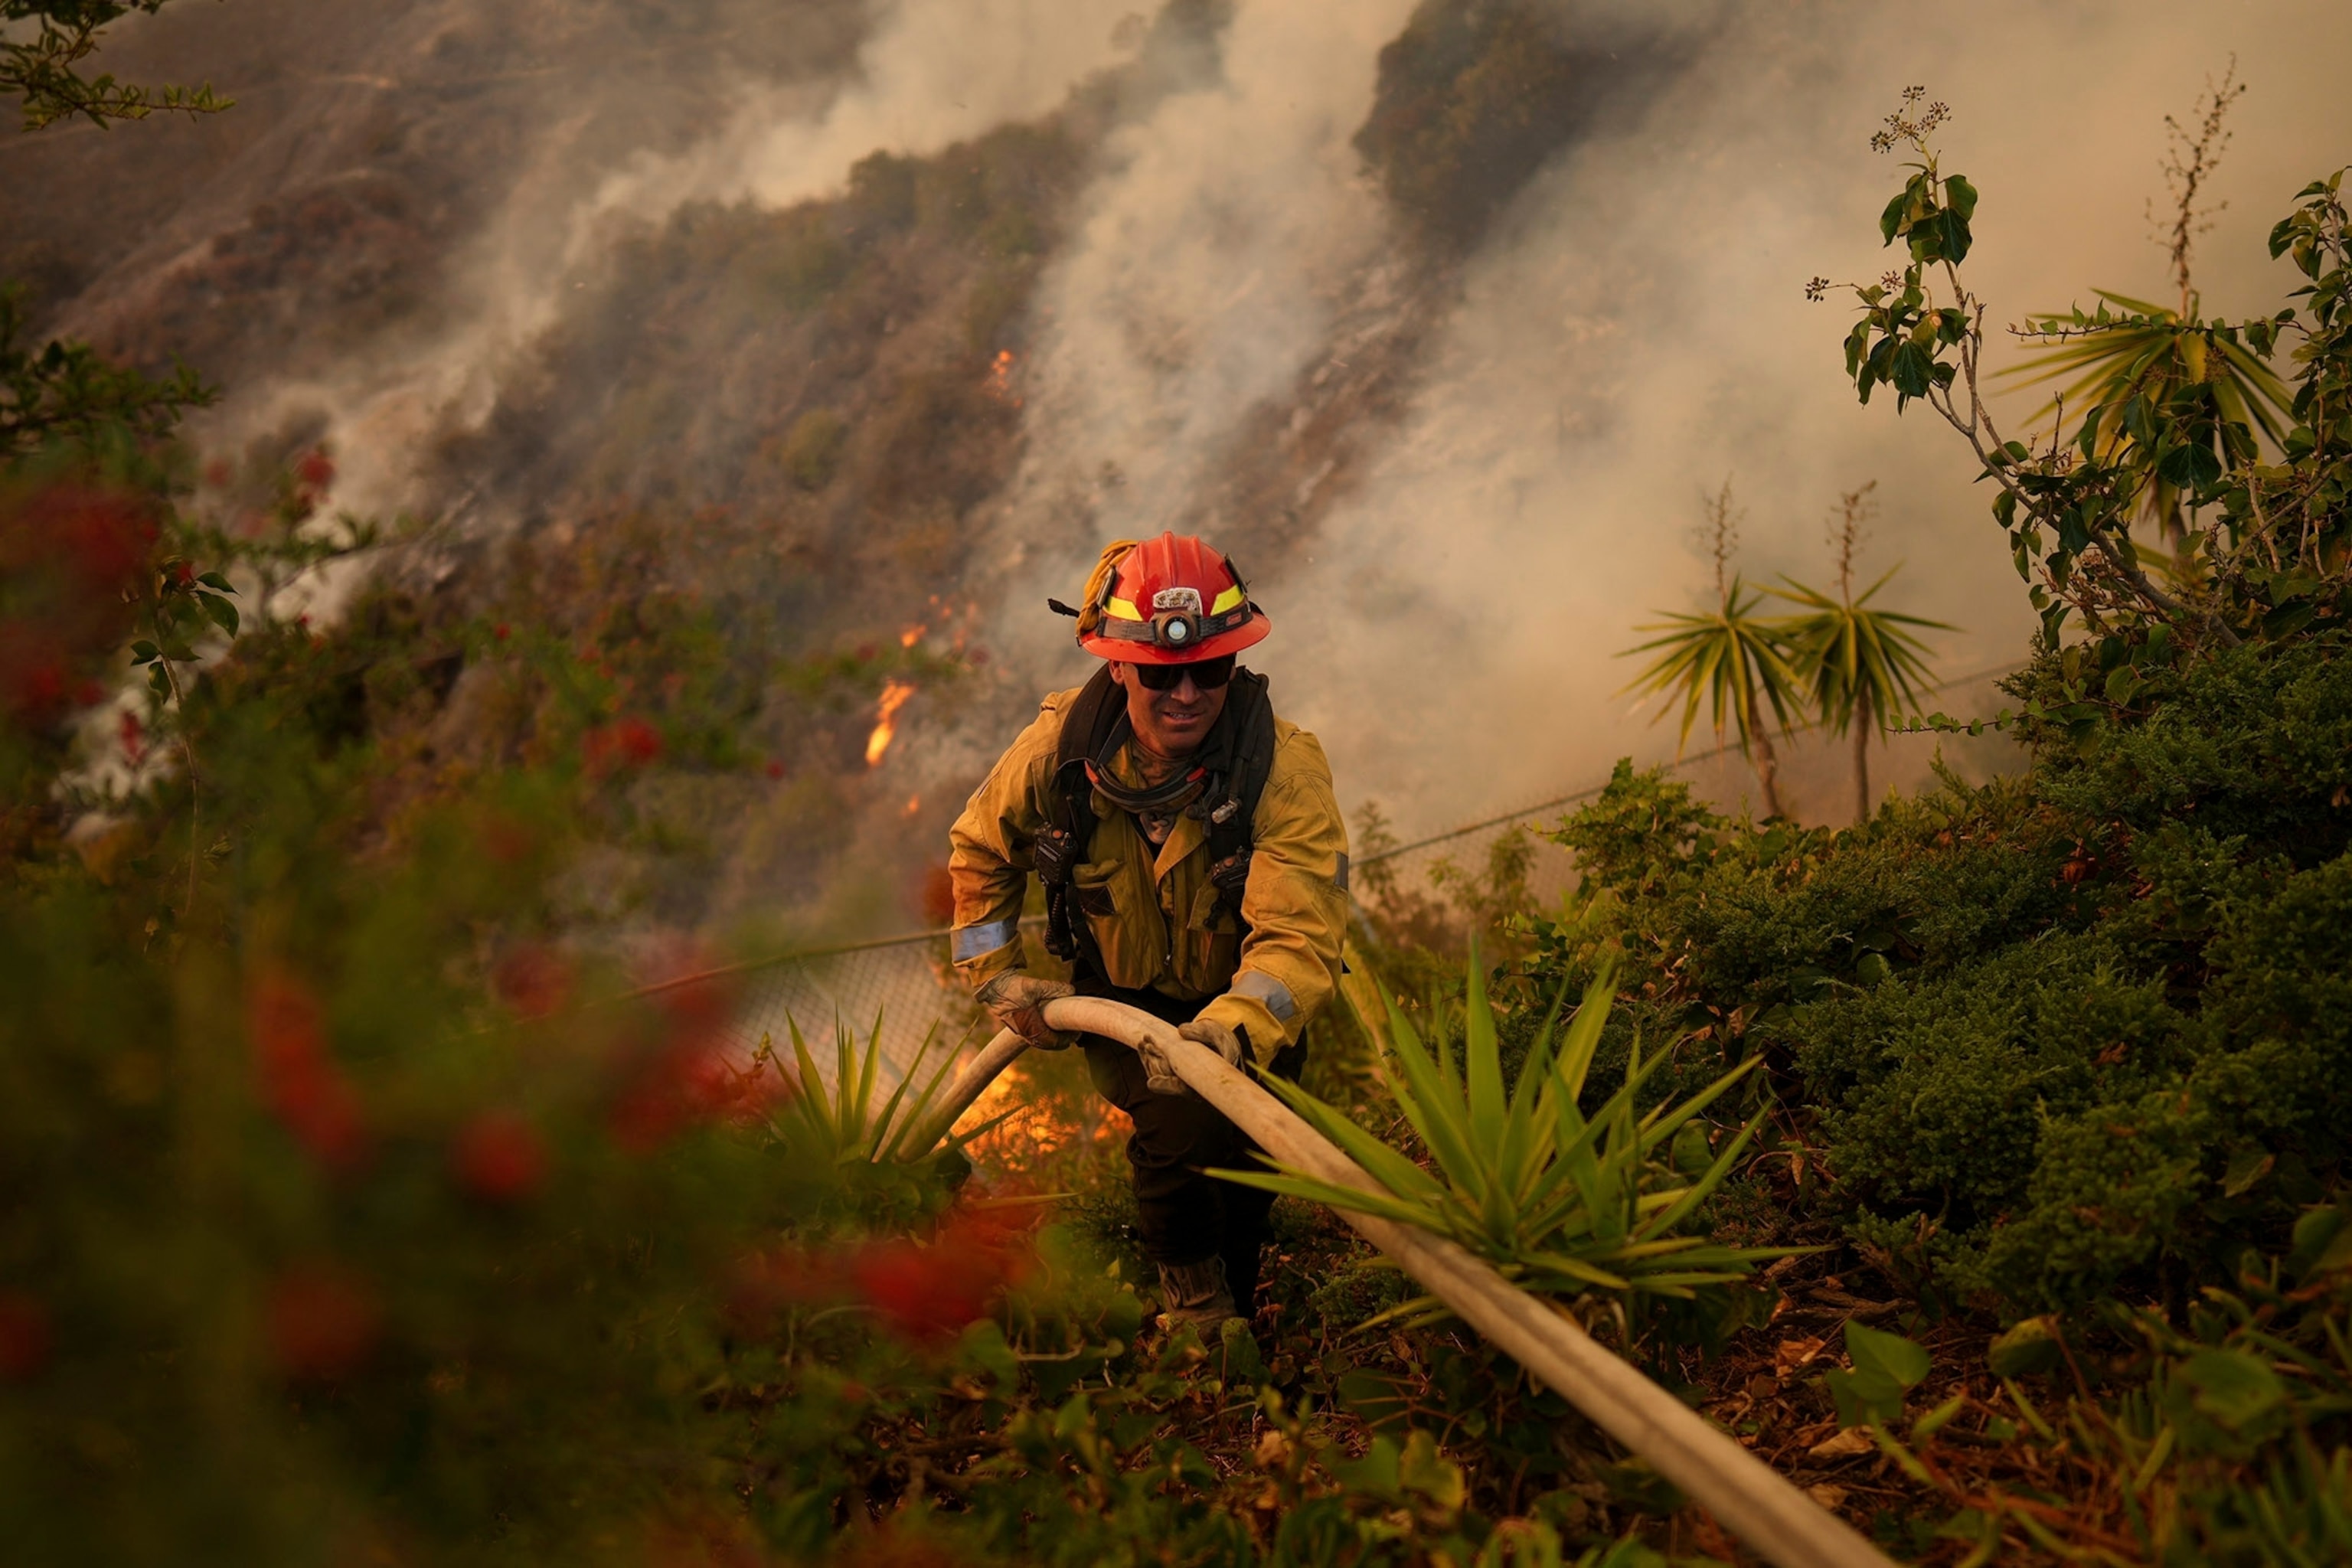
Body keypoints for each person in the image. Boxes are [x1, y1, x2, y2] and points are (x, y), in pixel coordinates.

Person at [946, 533, 1349, 1332]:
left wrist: (1233, 1028)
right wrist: (993, 975)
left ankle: (1238, 1288)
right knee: (1177, 1136)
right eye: (1164, 673)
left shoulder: (1282, 769)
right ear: (1121, 664)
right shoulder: (1060, 752)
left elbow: (1298, 937)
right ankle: (1198, 1317)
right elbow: (979, 849)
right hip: (1121, 1001)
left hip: (1244, 1015)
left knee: (1246, 1169)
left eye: (1212, 669)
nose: (1189, 693)